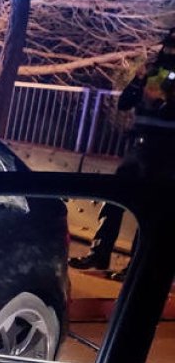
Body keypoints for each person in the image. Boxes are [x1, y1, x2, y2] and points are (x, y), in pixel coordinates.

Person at [70, 29, 175, 270]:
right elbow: (125, 103)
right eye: (168, 46)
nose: (169, 51)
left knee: (150, 210)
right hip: (138, 148)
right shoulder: (153, 73)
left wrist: (166, 98)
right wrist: (139, 80)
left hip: (166, 154)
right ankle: (99, 253)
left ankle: (137, 267)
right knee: (115, 198)